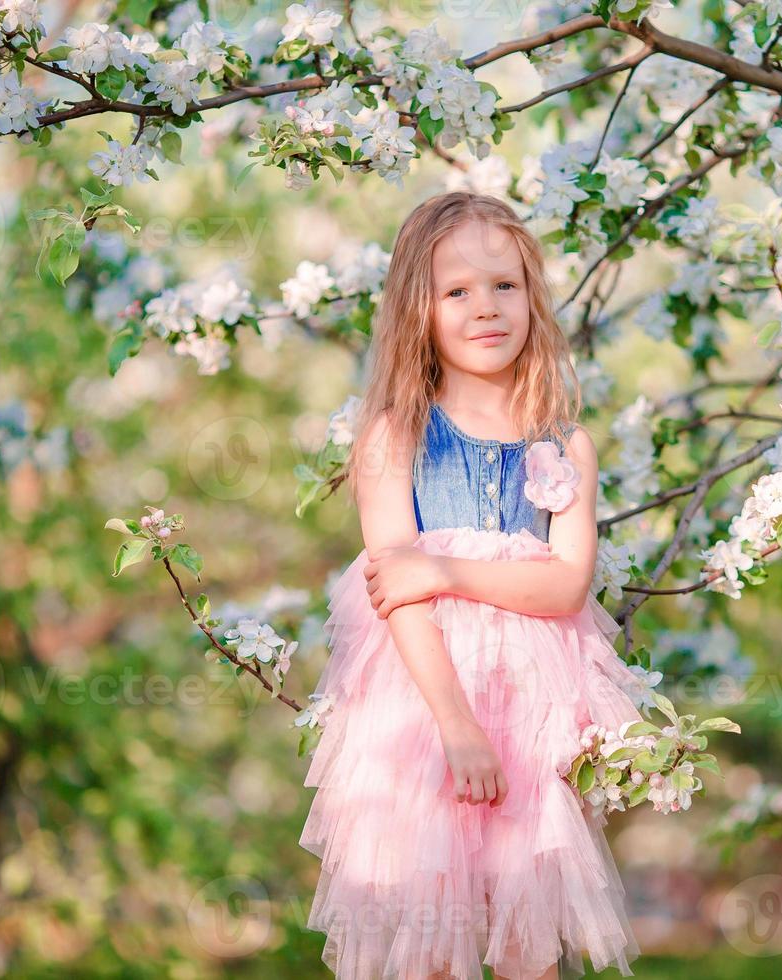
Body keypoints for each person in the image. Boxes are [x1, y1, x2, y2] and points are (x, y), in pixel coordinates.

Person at [298, 191, 649, 980]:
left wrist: (447, 566)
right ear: (418, 309)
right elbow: (398, 594)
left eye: (504, 285)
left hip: (531, 717)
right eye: (456, 291)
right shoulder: (396, 436)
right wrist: (455, 727)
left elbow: (564, 588)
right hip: (427, 715)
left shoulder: (567, 443)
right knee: (433, 945)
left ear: (532, 295)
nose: (484, 308)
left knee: (530, 945)